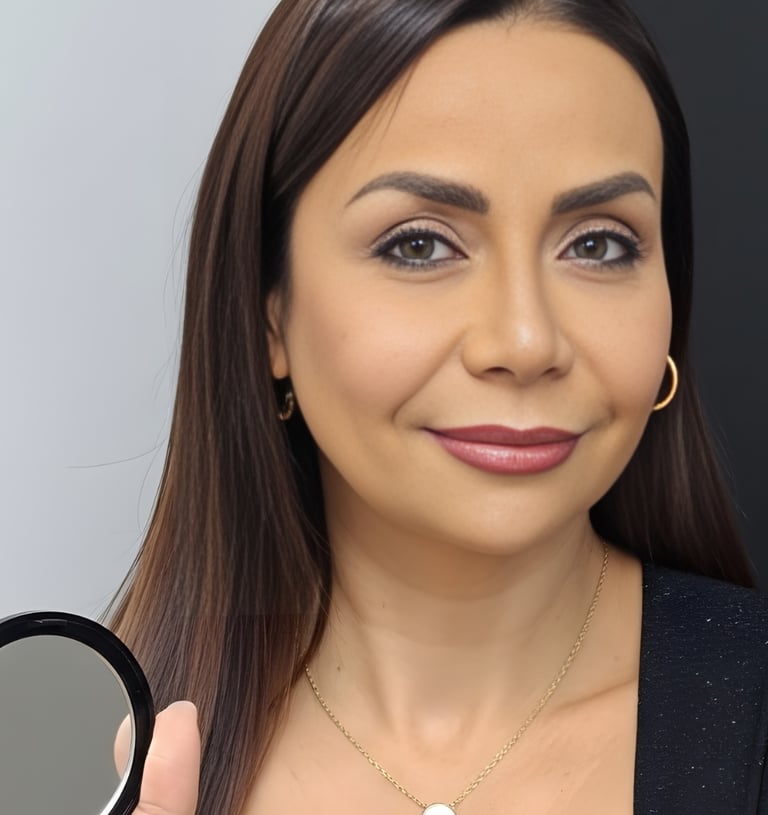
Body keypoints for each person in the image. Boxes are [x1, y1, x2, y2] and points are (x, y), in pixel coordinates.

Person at [110, 0, 768, 813]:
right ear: (268, 313)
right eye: (418, 244)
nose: (526, 341)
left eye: (598, 243)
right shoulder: (90, 754)